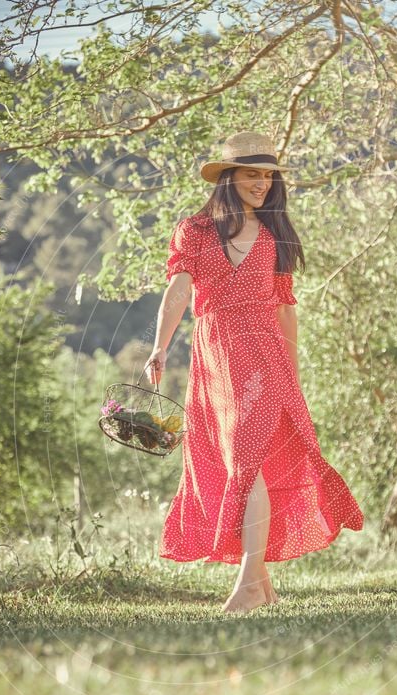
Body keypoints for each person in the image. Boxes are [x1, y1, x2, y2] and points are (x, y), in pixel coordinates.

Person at [144, 130, 364, 614]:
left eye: (267, 176)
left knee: (247, 462)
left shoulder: (274, 234)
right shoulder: (194, 231)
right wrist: (160, 347)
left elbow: (286, 310)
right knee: (237, 465)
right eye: (252, 174)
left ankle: (247, 582)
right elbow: (179, 291)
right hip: (215, 356)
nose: (262, 183)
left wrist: (295, 376)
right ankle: (261, 585)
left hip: (266, 359)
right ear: (229, 178)